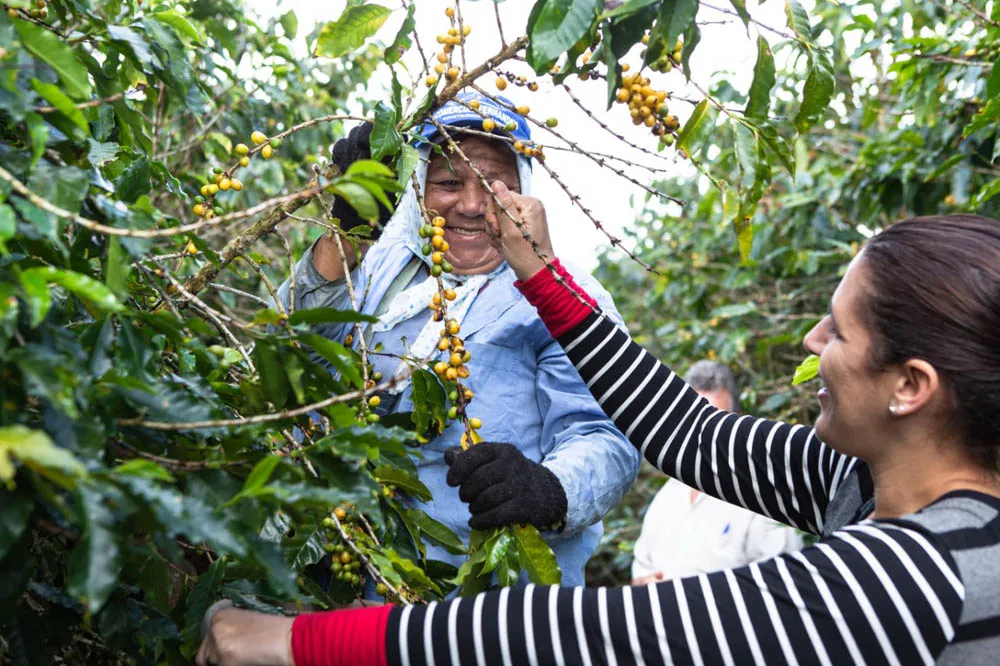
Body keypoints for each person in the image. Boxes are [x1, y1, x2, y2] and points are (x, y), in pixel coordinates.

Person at [199, 201, 1000, 664]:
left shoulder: (925, 571)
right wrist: (543, 274)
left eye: (838, 332)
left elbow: (591, 634)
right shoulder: (854, 480)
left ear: (910, 388)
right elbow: (686, 432)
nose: (811, 346)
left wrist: (297, 645)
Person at [274, 91, 639, 588]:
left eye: (494, 185)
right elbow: (286, 352)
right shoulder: (381, 266)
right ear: (419, 186)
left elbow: (607, 440)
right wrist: (349, 229)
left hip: (487, 605)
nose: (470, 204)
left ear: (524, 194)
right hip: (346, 578)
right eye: (448, 181)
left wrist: (548, 489)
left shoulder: (565, 297)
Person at [631, 360, 803, 585]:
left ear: (736, 421)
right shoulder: (668, 495)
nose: (702, 436)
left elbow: (782, 583)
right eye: (691, 423)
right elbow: (641, 569)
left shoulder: (762, 497)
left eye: (714, 422)